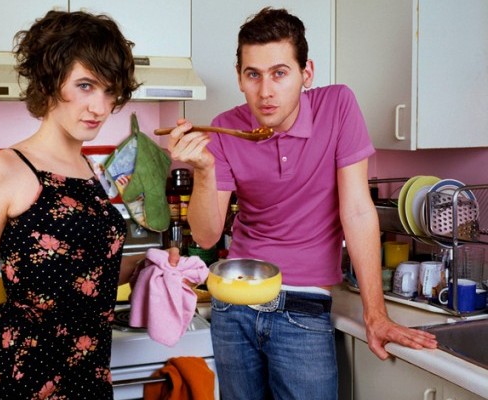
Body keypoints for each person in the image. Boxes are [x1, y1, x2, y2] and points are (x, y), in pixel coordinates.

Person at [166, 7, 438, 400]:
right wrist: (204, 171)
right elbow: (207, 236)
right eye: (253, 75)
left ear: (306, 73)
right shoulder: (225, 129)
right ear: (239, 77)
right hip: (234, 306)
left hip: (304, 306)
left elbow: (357, 211)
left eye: (279, 73)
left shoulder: (338, 106)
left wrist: (375, 314)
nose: (265, 91)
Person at [0, 10, 178, 400]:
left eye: (110, 91)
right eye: (86, 85)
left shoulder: (90, 170)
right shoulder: (2, 170)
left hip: (90, 385)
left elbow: (81, 271)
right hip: (22, 388)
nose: (100, 107)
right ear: (49, 79)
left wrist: (146, 266)